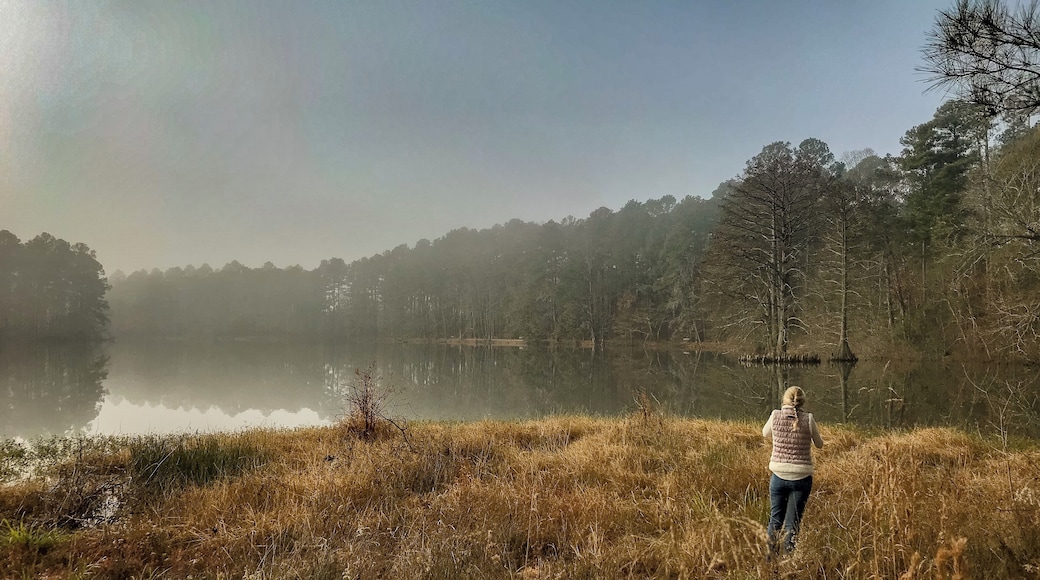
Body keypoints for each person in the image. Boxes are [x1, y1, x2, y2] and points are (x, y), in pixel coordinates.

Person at [762, 386, 824, 555]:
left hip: (778, 476)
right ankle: (789, 561)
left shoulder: (775, 415)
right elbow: (819, 444)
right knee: (792, 523)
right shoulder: (809, 419)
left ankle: (769, 561)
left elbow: (764, 433)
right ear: (802, 401)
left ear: (785, 400)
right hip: (802, 478)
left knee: (775, 520)